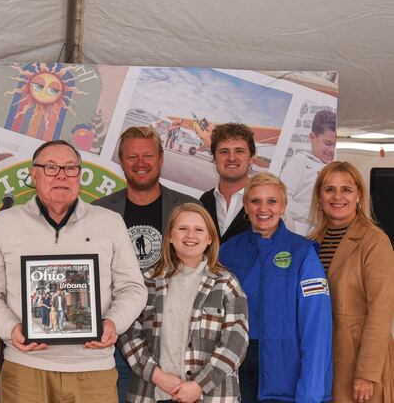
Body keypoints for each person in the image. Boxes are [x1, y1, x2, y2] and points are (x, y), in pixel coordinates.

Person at [0, 139, 147, 403]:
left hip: (94, 369)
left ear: (80, 175)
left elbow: (133, 287)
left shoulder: (110, 222)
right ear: (34, 173)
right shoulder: (3, 223)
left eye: (70, 168)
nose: (61, 176)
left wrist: (113, 323)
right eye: (51, 167)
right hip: (25, 368)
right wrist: (11, 328)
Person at [93, 126, 198, 400]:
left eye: (148, 156)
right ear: (120, 161)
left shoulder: (188, 208)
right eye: (131, 157)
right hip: (113, 335)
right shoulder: (98, 211)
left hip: (168, 335)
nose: (140, 163)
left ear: (161, 159)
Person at [219, 172, 332, 402]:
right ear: (245, 206)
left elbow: (316, 326)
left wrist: (311, 391)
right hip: (236, 369)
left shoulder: (303, 253)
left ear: (283, 206)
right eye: (255, 201)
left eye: (272, 201)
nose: (263, 209)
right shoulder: (227, 251)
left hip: (285, 373)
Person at [121, 203, 248, 402]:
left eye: (199, 230)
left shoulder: (226, 283)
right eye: (182, 229)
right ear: (170, 236)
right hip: (152, 394)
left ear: (209, 239)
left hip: (211, 396)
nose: (190, 235)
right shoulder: (147, 281)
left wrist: (199, 386)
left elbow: (236, 343)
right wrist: (158, 376)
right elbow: (129, 335)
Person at [308, 161, 394, 403]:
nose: (337, 196)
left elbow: (381, 311)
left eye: (346, 189)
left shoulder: (375, 242)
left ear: (359, 195)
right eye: (329, 189)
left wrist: (367, 373)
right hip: (320, 362)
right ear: (319, 197)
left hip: (358, 363)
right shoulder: (310, 243)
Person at [280, 109, 337, 235]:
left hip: (324, 237)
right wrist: (316, 218)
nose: (332, 150)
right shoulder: (299, 162)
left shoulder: (335, 170)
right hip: (299, 236)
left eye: (335, 145)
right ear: (312, 137)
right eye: (328, 143)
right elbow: (282, 200)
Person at [200, 123, 254, 243]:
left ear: (251, 157)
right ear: (214, 158)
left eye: (239, 151)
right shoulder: (202, 203)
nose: (231, 158)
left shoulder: (270, 207)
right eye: (224, 151)